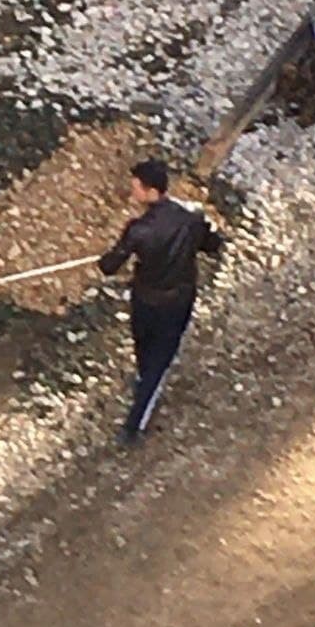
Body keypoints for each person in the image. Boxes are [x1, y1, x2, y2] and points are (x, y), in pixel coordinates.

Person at [98, 159, 224, 447]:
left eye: (135, 189)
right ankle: (144, 395)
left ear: (150, 191)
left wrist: (105, 258)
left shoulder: (138, 229)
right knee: (158, 358)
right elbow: (213, 245)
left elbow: (110, 266)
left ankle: (133, 425)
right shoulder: (191, 220)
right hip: (177, 300)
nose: (132, 194)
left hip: (145, 300)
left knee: (150, 355)